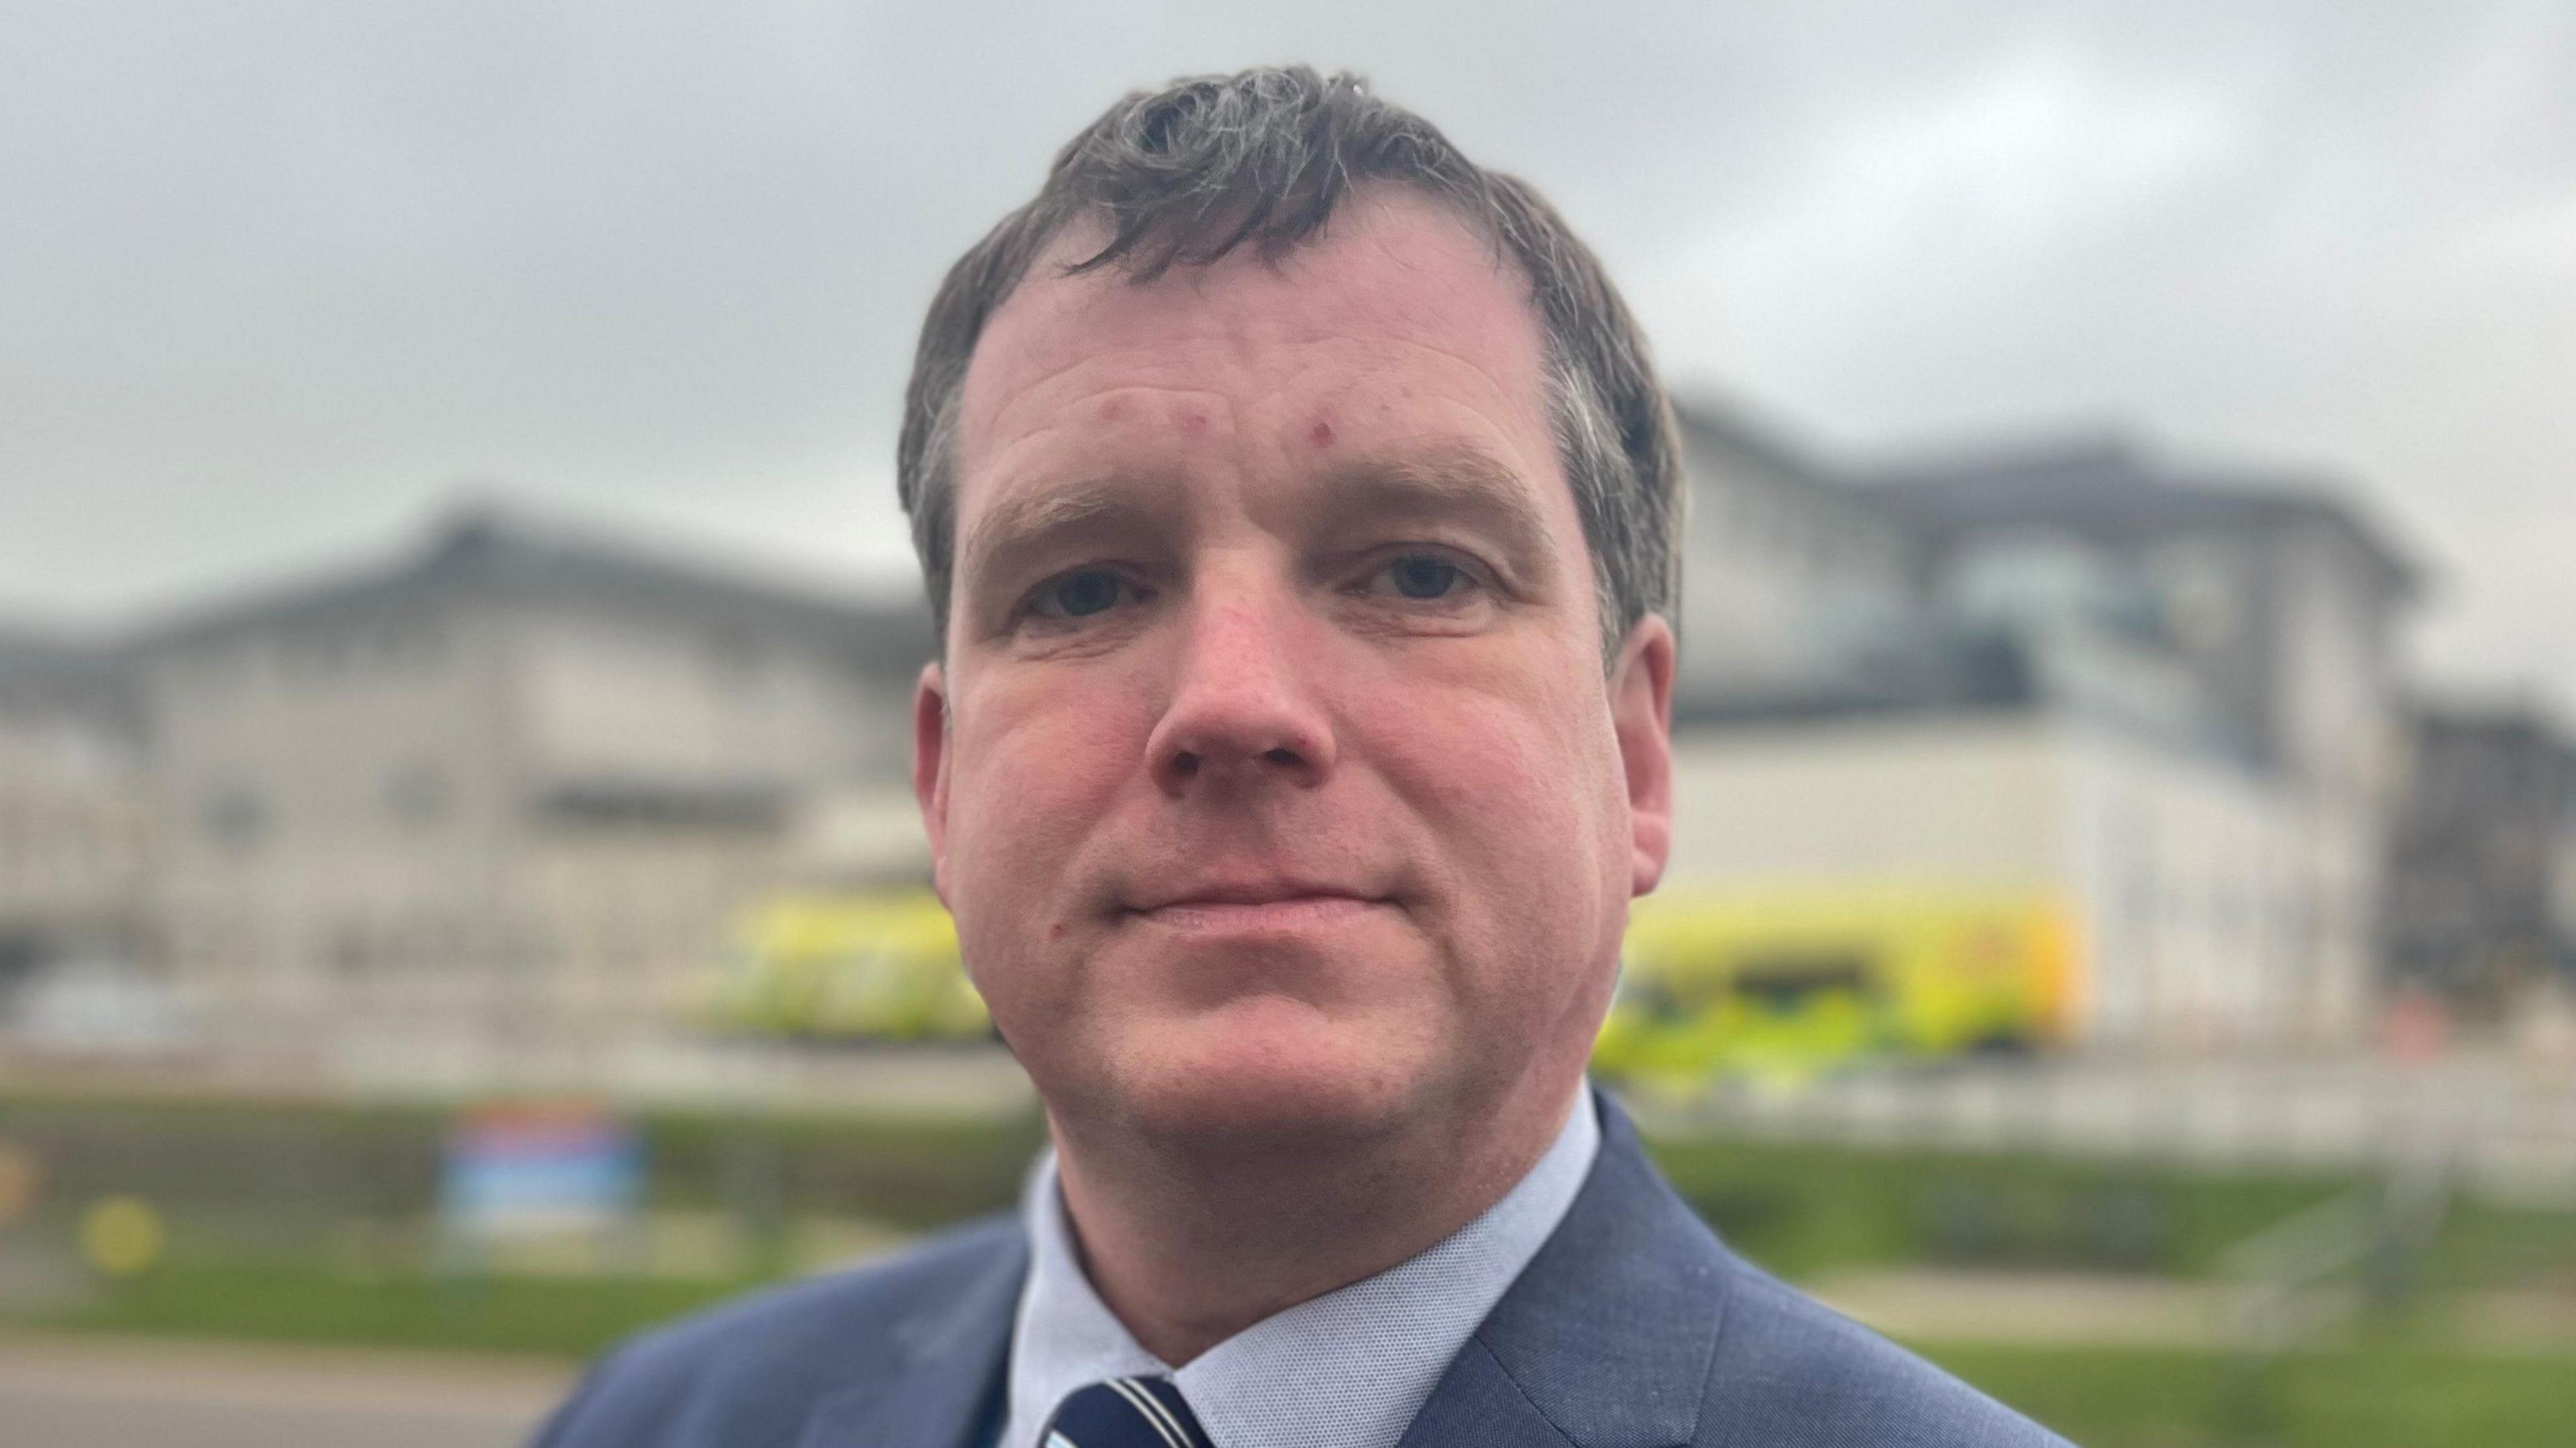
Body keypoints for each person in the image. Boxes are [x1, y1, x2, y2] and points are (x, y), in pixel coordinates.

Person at [533, 65, 2069, 1448]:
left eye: (1417, 573)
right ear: (941, 785)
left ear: (1635, 755)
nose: (1233, 702)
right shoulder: (653, 1422)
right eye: (1084, 588)